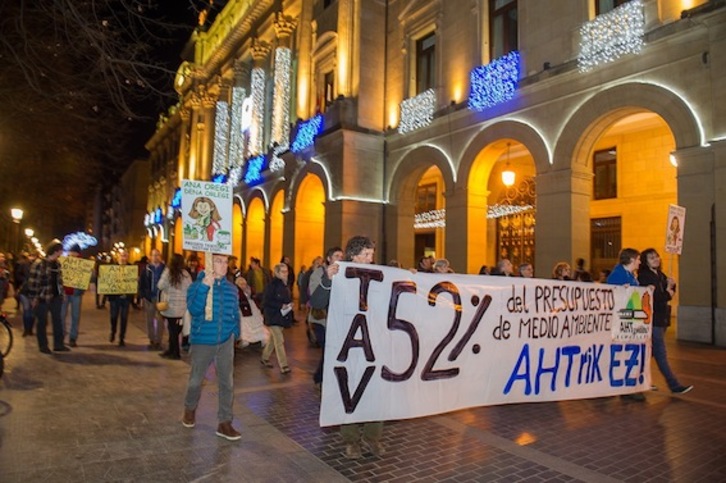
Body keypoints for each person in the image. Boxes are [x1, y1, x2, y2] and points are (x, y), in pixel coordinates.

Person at [329, 235, 385, 459]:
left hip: (373, 343)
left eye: (372, 255)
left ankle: (372, 437)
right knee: (349, 391)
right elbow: (317, 300)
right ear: (354, 256)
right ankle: (351, 440)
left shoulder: (378, 277)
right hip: (349, 346)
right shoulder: (340, 276)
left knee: (375, 392)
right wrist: (328, 280)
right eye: (366, 255)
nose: (371, 260)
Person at [182, 253, 241, 441]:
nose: (223, 265)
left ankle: (225, 422)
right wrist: (204, 288)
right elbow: (194, 310)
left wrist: (235, 332)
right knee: (195, 381)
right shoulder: (196, 286)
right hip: (202, 341)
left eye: (225, 262)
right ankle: (189, 408)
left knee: (227, 382)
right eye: (218, 261)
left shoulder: (232, 289)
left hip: (225, 341)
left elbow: (234, 312)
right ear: (209, 263)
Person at [638, 248, 693, 395]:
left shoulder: (660, 274)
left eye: (657, 257)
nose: (656, 259)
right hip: (653, 320)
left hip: (662, 319)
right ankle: (674, 385)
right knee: (660, 353)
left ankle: (637, 380)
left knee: (650, 353)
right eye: (651, 258)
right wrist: (669, 290)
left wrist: (672, 285)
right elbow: (657, 297)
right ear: (645, 261)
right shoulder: (644, 276)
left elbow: (669, 292)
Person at [607, 248, 645, 402]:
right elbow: (612, 294)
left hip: (629, 321)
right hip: (620, 321)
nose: (640, 262)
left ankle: (628, 386)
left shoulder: (630, 275)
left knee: (629, 353)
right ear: (631, 259)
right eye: (638, 259)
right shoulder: (618, 275)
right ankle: (624, 387)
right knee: (622, 353)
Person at [308, 246, 343, 392]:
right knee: (327, 350)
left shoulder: (345, 273)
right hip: (320, 320)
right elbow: (314, 294)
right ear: (329, 259)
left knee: (331, 351)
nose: (340, 258)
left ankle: (320, 376)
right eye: (336, 256)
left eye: (342, 256)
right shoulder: (319, 273)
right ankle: (322, 378)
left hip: (335, 320)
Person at [26, 239, 68, 353]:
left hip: (55, 297)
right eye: (61, 250)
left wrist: (62, 294)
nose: (62, 253)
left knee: (57, 320)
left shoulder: (58, 264)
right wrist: (34, 297)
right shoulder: (40, 264)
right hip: (42, 298)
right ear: (56, 251)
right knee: (42, 322)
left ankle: (58, 344)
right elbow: (33, 282)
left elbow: (59, 281)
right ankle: (43, 346)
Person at [260, 263, 294, 374]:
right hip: (273, 316)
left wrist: (289, 305)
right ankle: (284, 365)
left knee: (273, 340)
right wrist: (280, 305)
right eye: (283, 272)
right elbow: (266, 301)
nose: (286, 274)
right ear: (277, 273)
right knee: (279, 340)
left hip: (281, 316)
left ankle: (264, 357)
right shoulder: (272, 285)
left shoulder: (285, 285)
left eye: (286, 271)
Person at [157, 254, 192, 360]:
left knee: (172, 330)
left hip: (170, 306)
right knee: (176, 330)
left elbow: (160, 285)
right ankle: (171, 350)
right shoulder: (185, 274)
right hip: (182, 307)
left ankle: (175, 352)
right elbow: (190, 287)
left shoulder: (168, 272)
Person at [107, 249, 135, 347]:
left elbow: (134, 282)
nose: (123, 258)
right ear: (118, 256)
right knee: (113, 316)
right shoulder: (112, 267)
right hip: (115, 298)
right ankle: (113, 331)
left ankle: (122, 337)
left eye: (125, 256)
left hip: (125, 298)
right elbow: (107, 282)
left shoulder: (131, 268)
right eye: (122, 255)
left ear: (128, 257)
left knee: (124, 318)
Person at [139, 248, 166, 350]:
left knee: (160, 320)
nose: (156, 257)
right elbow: (142, 283)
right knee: (149, 319)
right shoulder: (146, 269)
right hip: (149, 298)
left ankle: (158, 340)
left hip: (162, 299)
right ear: (150, 257)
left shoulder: (164, 269)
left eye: (158, 255)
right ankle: (151, 339)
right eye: (154, 255)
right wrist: (143, 295)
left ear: (160, 257)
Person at [61, 245, 85, 347]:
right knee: (61, 315)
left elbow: (89, 278)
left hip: (76, 293)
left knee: (75, 316)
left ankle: (73, 337)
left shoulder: (83, 264)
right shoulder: (64, 262)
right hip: (65, 292)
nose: (72, 254)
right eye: (71, 252)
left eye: (74, 253)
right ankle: (61, 334)